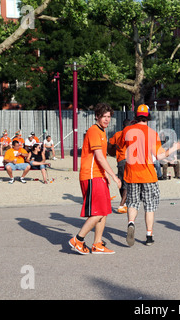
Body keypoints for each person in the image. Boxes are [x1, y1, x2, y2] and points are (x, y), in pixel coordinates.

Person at [118, 104, 180, 246]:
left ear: (136, 116)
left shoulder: (127, 130)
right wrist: (173, 148)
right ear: (148, 117)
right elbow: (159, 156)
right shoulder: (152, 133)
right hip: (148, 174)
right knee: (149, 206)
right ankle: (149, 235)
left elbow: (120, 146)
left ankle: (131, 223)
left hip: (131, 173)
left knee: (132, 203)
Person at [68, 103, 121, 255]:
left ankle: (97, 243)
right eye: (103, 116)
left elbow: (100, 158)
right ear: (97, 116)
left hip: (98, 174)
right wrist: (113, 175)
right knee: (97, 211)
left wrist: (105, 174)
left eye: (109, 116)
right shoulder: (93, 131)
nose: (106, 119)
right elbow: (98, 156)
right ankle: (78, 239)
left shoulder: (102, 131)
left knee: (104, 210)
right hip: (91, 176)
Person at [108, 119, 131, 213]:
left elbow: (109, 146)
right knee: (127, 183)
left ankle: (124, 202)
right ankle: (122, 203)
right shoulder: (132, 135)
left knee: (121, 183)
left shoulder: (117, 134)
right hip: (130, 160)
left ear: (122, 125)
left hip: (120, 161)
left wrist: (114, 148)